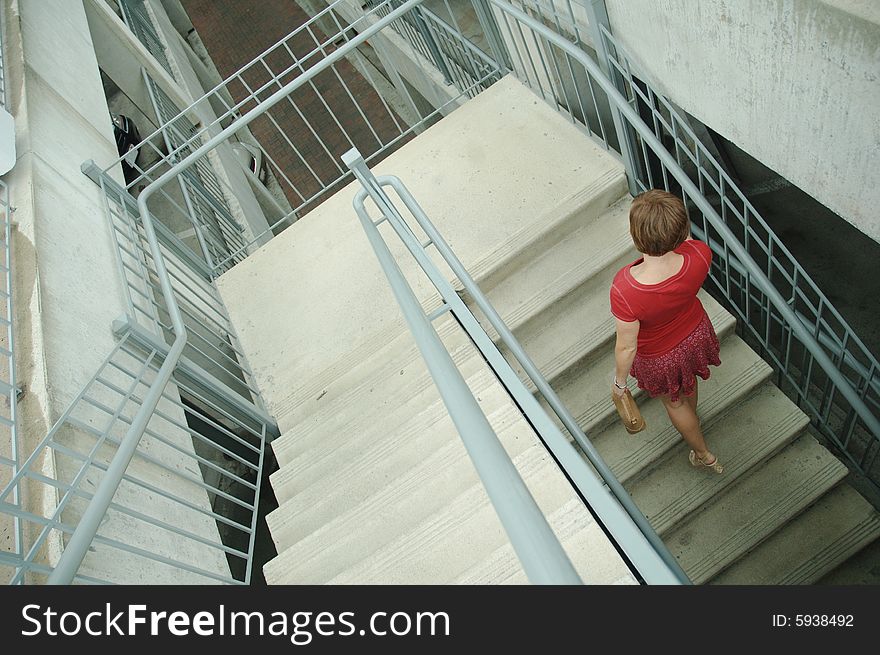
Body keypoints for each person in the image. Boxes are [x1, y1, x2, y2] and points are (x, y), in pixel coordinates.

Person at [609, 189, 723, 473]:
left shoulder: (625, 289)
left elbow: (626, 346)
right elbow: (686, 243)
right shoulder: (700, 253)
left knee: (674, 403)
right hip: (695, 334)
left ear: (636, 236)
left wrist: (620, 383)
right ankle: (692, 417)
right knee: (688, 386)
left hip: (660, 357)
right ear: (683, 228)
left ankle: (703, 454)